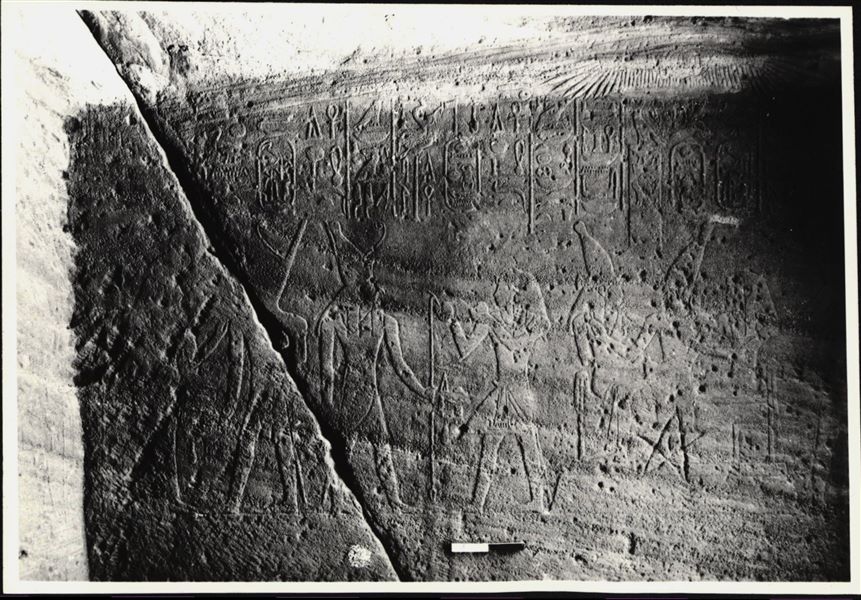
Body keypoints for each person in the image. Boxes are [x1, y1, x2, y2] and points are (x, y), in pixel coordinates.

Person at [318, 222, 431, 509]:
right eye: (368, 278)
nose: (375, 285)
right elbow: (400, 368)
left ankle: (376, 499)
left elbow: (328, 371)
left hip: (350, 392)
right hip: (361, 392)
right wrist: (424, 392)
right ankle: (381, 499)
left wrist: (425, 392)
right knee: (376, 447)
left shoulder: (336, 318)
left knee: (366, 447)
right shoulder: (375, 321)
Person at [447, 269, 551, 513]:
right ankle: (479, 502)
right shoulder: (493, 320)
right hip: (504, 393)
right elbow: (464, 349)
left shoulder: (527, 322)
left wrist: (489, 320)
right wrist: (454, 323)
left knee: (528, 445)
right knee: (491, 445)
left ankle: (537, 500)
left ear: (513, 291)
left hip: (519, 394)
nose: (495, 292)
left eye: (500, 287)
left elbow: (514, 344)